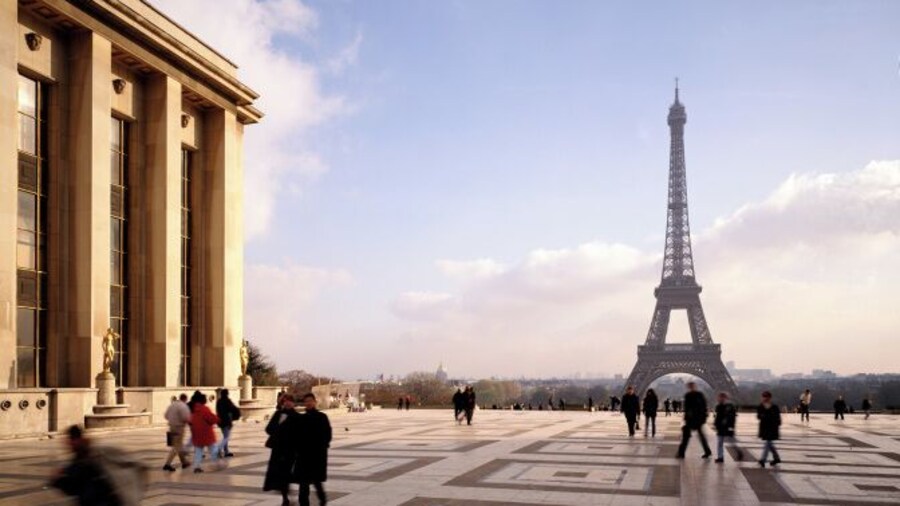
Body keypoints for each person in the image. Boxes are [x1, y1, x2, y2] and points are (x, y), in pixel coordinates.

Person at [51, 425, 119, 505]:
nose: (67, 444)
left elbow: (73, 486)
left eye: (69, 439)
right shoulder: (86, 452)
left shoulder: (85, 458)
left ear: (76, 439)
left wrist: (57, 479)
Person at [264, 395, 301, 505]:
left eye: (290, 401)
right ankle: (285, 496)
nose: (287, 403)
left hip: (290, 450)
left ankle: (286, 493)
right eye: (285, 401)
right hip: (277, 449)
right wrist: (278, 430)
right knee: (281, 473)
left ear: (293, 403)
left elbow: (299, 435)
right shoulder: (278, 414)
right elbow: (268, 428)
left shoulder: (297, 417)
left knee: (286, 473)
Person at [295, 393, 332, 506]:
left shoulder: (322, 417)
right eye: (306, 401)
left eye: (310, 400)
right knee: (303, 484)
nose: (308, 403)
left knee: (317, 482)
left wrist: (321, 447)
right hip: (303, 456)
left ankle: (323, 500)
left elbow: (327, 435)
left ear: (315, 402)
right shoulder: (301, 418)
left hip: (317, 455)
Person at [676, 382, 712, 459]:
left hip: (697, 419)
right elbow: (687, 408)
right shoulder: (690, 395)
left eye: (692, 386)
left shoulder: (697, 395)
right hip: (691, 419)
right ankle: (681, 453)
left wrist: (703, 418)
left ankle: (681, 453)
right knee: (689, 436)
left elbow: (703, 407)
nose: (691, 388)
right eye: (690, 386)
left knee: (697, 436)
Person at [189, 393, 221, 473]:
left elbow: (189, 421)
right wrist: (217, 419)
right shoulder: (204, 409)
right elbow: (211, 418)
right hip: (206, 433)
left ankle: (197, 466)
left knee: (198, 451)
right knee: (213, 449)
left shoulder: (192, 410)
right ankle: (216, 463)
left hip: (196, 434)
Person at [163, 394, 192, 471]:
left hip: (171, 427)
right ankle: (167, 464)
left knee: (179, 445)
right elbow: (186, 418)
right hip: (179, 427)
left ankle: (184, 462)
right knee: (176, 446)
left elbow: (165, 415)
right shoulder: (183, 406)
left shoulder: (172, 405)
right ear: (185, 399)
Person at [713, 392, 744, 463]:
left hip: (727, 428)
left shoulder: (730, 406)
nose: (719, 399)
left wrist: (731, 427)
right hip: (721, 428)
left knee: (731, 443)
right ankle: (720, 457)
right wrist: (716, 424)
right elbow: (718, 417)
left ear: (724, 398)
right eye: (719, 398)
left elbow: (732, 418)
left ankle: (739, 452)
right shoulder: (719, 406)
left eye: (720, 397)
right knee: (720, 443)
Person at [757, 391, 782, 468]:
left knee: (768, 443)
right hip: (765, 428)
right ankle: (776, 458)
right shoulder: (761, 406)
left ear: (769, 398)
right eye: (764, 397)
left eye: (766, 397)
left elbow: (777, 418)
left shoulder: (774, 407)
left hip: (772, 428)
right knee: (769, 444)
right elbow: (759, 416)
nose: (765, 398)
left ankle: (763, 459)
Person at [216, 389, 241, 458]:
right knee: (226, 437)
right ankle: (219, 449)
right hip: (226, 421)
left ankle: (226, 451)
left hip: (221, 421)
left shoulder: (219, 401)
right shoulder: (227, 401)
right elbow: (232, 408)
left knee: (225, 436)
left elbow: (218, 411)